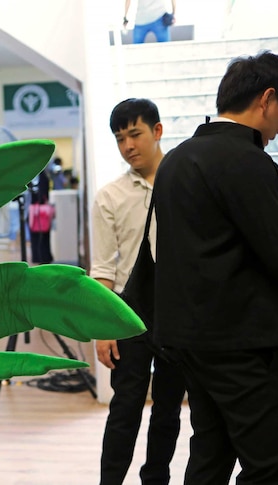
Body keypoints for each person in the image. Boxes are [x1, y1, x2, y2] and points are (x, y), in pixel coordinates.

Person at [154, 51, 278, 484]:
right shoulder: (248, 160)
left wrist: (268, 211)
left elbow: (209, 235)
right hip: (238, 342)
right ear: (266, 98)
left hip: (188, 339)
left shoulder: (177, 159)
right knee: (271, 465)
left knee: (212, 452)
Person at [92, 98, 185, 485]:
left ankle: (156, 479)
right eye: (119, 138)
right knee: (125, 407)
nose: (128, 145)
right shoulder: (109, 196)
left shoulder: (186, 184)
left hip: (178, 312)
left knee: (168, 409)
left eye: (135, 133)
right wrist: (102, 326)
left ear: (157, 131)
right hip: (129, 314)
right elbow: (102, 268)